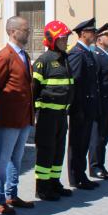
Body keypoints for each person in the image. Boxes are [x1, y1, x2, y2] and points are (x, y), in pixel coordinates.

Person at [0, 16, 36, 215]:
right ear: (12, 32)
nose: (29, 33)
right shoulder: (4, 56)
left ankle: (11, 194)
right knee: (3, 158)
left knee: (16, 158)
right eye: (25, 30)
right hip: (8, 119)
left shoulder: (23, 55)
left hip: (24, 117)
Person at [32, 21, 74, 201]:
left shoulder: (65, 58)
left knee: (58, 150)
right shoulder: (43, 61)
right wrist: (33, 115)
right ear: (52, 40)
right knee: (46, 150)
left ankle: (54, 182)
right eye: (62, 38)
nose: (66, 41)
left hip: (61, 115)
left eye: (66, 38)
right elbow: (34, 90)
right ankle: (42, 187)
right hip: (47, 115)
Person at [67, 18, 100, 190]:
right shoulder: (77, 53)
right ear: (83, 34)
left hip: (88, 107)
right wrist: (75, 107)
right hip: (80, 108)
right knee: (77, 142)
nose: (94, 35)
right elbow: (73, 83)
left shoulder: (87, 52)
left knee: (84, 142)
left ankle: (81, 175)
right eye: (92, 32)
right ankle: (75, 177)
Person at [88, 23, 108, 180]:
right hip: (100, 105)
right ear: (99, 39)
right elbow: (96, 84)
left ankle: (101, 164)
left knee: (104, 137)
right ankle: (94, 167)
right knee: (97, 137)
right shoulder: (96, 56)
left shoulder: (107, 55)